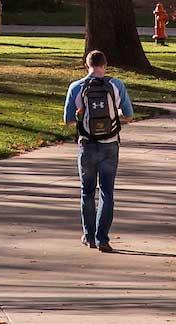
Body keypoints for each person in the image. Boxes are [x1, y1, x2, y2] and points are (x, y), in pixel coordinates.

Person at [63, 50, 133, 252]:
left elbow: (68, 121)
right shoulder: (117, 85)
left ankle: (89, 236)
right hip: (110, 144)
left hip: (87, 144)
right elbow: (128, 116)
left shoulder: (76, 87)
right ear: (106, 64)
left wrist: (80, 116)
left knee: (87, 192)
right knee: (107, 192)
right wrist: (111, 120)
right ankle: (103, 239)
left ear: (87, 65)